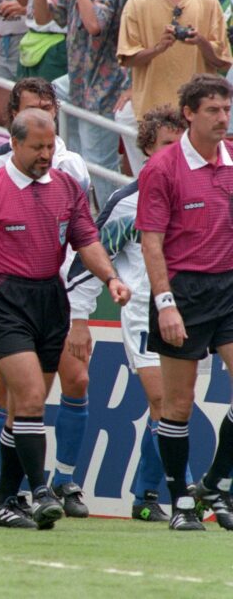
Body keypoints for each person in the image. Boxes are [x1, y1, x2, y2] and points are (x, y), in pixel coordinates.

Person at [0, 109, 130, 530]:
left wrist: (110, 277)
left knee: (22, 409)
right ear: (14, 144)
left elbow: (87, 240)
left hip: (50, 298)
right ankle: (40, 491)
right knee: (33, 398)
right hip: (3, 298)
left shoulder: (66, 187)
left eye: (51, 145)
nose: (46, 154)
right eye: (37, 147)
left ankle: (5, 502)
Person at [65, 105, 185, 522]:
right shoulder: (127, 203)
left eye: (179, 142)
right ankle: (186, 497)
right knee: (162, 399)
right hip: (142, 313)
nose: (174, 152)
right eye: (166, 144)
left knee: (175, 407)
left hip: (193, 311)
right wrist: (79, 318)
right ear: (147, 150)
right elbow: (90, 258)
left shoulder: (205, 191)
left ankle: (146, 493)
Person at [136, 74, 233, 531]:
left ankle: (213, 482)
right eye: (213, 110)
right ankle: (180, 502)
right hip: (185, 291)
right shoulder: (162, 168)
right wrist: (166, 303)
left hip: (229, 287)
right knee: (178, 404)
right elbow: (151, 243)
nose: (222, 118)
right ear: (190, 113)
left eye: (226, 109)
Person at [34, 0, 125, 202]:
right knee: (73, 159)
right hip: (76, 86)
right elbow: (41, 19)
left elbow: (94, 25)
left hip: (103, 92)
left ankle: (113, 227)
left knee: (101, 166)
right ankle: (76, 216)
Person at [118, 0, 232, 125]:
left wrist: (201, 41)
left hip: (198, 116)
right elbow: (127, 58)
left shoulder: (209, 2)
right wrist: (158, 48)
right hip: (154, 114)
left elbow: (223, 62)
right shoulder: (138, 3)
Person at [109, 0, 164, 175]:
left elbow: (155, 41)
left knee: (128, 117)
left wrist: (134, 86)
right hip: (135, 73)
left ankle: (147, 181)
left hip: (156, 77)